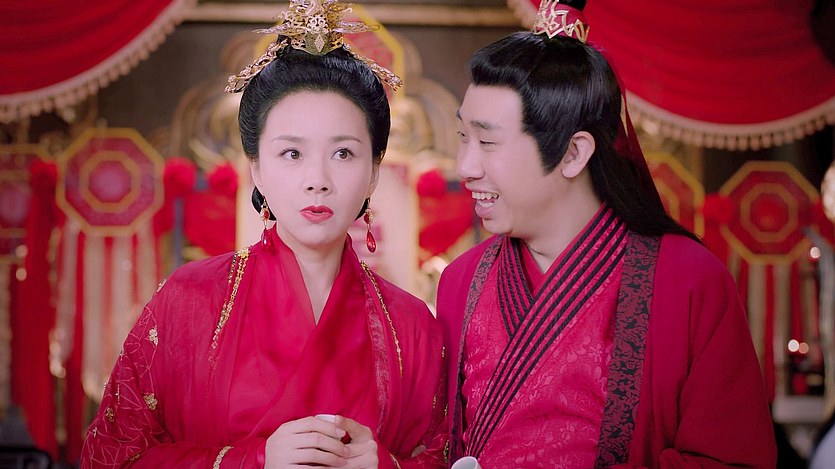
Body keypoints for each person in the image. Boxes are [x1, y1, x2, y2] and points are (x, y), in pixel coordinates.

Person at [81, 1, 447, 467]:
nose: (318, 180)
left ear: (374, 171)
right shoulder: (190, 301)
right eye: (292, 153)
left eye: (343, 154)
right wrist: (250, 460)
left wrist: (385, 465)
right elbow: (112, 455)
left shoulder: (411, 326)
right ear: (255, 168)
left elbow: (443, 455)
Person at [436, 0, 777, 467]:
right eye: (463, 137)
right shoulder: (461, 280)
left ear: (573, 153)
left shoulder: (689, 281)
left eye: (487, 142)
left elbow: (734, 459)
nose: (465, 167)